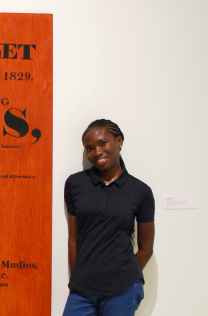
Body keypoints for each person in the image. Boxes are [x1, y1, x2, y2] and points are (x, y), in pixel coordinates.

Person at [63, 119, 155, 316]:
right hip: (83, 288)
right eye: (89, 148)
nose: (96, 152)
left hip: (122, 289)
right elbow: (73, 238)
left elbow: (146, 247)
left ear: (119, 141)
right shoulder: (75, 184)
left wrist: (127, 276)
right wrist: (76, 278)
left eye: (102, 143)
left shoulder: (140, 191)